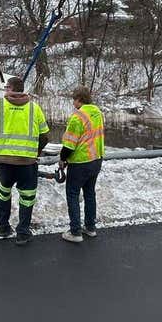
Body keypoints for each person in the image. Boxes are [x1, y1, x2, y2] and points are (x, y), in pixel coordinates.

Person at [0, 76, 49, 245]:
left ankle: (3, 228)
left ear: (10, 89)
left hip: (3, 161)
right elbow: (44, 135)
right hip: (26, 162)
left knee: (4, 191)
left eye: (5, 88)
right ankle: (23, 233)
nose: (4, 91)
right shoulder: (34, 108)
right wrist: (36, 151)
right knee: (27, 196)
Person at [58, 86, 105, 244]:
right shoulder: (98, 113)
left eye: (74, 99)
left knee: (72, 194)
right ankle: (90, 228)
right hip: (96, 159)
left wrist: (63, 159)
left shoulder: (77, 117)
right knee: (90, 193)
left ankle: (75, 232)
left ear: (79, 99)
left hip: (80, 163)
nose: (73, 102)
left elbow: (70, 144)